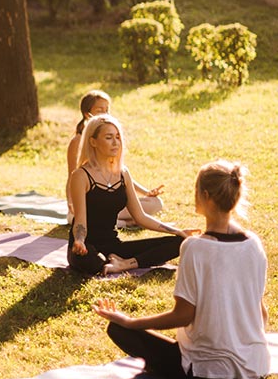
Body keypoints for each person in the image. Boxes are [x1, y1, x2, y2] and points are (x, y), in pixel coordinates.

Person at [93, 160, 269, 379]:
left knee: (118, 329)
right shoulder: (254, 244)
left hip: (206, 370)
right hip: (256, 364)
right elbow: (261, 312)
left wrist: (130, 321)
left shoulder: (195, 248)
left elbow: (183, 315)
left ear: (205, 195)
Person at [68, 115, 195, 275]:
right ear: (93, 142)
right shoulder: (81, 175)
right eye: (109, 138)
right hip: (86, 246)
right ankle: (113, 262)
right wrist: (79, 240)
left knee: (181, 242)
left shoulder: (123, 173)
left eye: (118, 137)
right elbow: (80, 221)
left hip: (114, 246)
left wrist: (177, 231)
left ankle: (126, 264)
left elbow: (140, 217)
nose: (115, 142)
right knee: (95, 263)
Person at [66, 90, 163, 226]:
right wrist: (71, 202)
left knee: (156, 203)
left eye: (107, 110)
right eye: (100, 110)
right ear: (87, 114)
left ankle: (123, 221)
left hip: (110, 201)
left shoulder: (111, 146)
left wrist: (146, 193)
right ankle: (122, 221)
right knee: (81, 218)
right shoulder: (77, 142)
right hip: (90, 206)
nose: (105, 113)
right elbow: (72, 176)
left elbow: (118, 176)